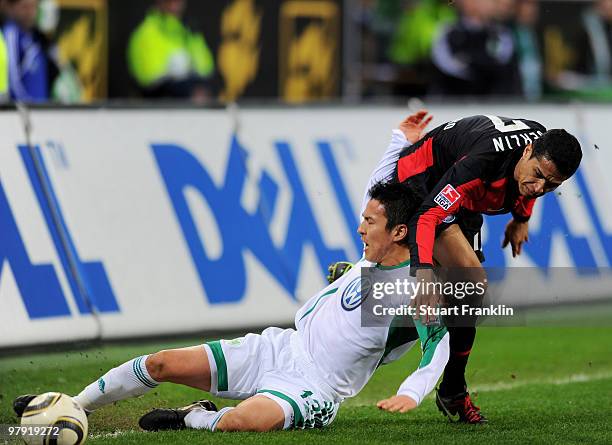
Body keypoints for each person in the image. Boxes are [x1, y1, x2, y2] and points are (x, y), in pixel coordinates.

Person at [13, 180, 450, 432]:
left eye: (369, 222)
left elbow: (439, 341)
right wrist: (398, 137)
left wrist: (412, 392)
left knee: (247, 421)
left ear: (398, 232)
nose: (360, 228)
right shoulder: (370, 256)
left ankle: (194, 419)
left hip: (317, 387)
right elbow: (381, 201)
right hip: (281, 348)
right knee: (162, 363)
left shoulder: (416, 283)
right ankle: (72, 405)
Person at [331, 110, 583, 424]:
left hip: (455, 198)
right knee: (465, 286)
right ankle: (367, 283)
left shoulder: (536, 151)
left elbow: (527, 184)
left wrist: (521, 218)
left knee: (462, 299)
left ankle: (369, 283)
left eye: (551, 184)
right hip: (417, 190)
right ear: (528, 151)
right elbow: (427, 214)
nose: (539, 187)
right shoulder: (483, 161)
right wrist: (421, 273)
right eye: (538, 175)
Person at [127, 0, 215, 101]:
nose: (175, 3)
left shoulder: (190, 32)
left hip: (193, 102)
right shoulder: (145, 33)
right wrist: (174, 77)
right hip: (161, 105)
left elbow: (207, 68)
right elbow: (148, 80)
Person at [430, 0, 521, 96]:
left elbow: (502, 62)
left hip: (493, 101)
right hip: (455, 100)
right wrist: (478, 66)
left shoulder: (501, 33)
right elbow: (448, 66)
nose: (491, 4)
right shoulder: (448, 31)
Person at [2, 0, 57, 102]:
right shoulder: (11, 34)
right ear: (13, 9)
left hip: (41, 110)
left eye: (33, 7)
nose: (30, 13)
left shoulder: (37, 37)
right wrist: (29, 104)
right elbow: (13, 79)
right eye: (25, 7)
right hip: (26, 112)